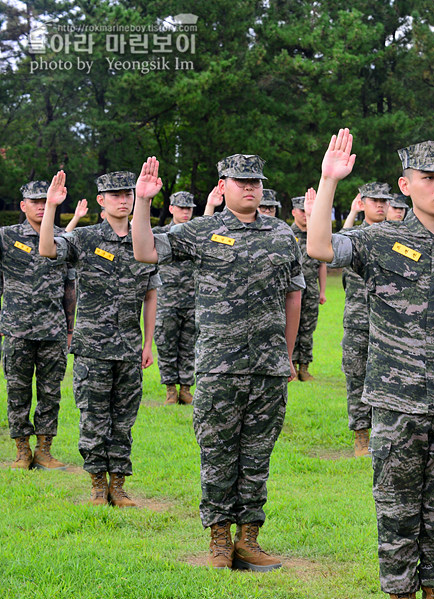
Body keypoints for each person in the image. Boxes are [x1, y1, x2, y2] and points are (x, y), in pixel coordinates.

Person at [307, 131, 434, 599]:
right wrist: (329, 182)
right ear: (406, 186)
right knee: (396, 512)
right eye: (429, 177)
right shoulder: (377, 239)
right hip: (397, 403)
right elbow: (320, 249)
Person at [131, 154, 304, 572]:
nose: (250, 188)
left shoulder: (281, 234)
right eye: (241, 181)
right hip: (218, 367)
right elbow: (144, 250)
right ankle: (219, 541)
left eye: (256, 182)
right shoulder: (202, 230)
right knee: (218, 455)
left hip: (267, 369)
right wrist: (141, 202)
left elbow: (294, 294)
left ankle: (249, 539)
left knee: (257, 456)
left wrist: (287, 353)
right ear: (222, 184)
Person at [38, 170, 160, 508]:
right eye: (115, 194)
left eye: (128, 193)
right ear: (101, 201)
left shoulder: (144, 238)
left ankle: (118, 486)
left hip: (130, 349)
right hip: (93, 349)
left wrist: (148, 343)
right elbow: (47, 248)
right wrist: (51, 207)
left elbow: (151, 295)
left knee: (124, 420)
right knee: (93, 417)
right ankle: (96, 484)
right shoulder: (85, 238)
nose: (123, 199)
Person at [1, 180, 75, 470]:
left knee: (50, 392)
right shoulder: (6, 237)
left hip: (53, 329)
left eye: (46, 200)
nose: (42, 206)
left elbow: (70, 287)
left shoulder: (63, 239)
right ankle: (22, 450)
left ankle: (44, 450)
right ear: (23, 206)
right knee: (17, 390)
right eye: (35, 201)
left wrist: (69, 329)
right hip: (17, 329)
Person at [339, 182, 391, 457]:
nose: (381, 205)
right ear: (363, 203)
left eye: (385, 200)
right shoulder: (354, 235)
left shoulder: (395, 236)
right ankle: (361, 436)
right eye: (374, 200)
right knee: (357, 377)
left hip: (389, 324)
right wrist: (351, 213)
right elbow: (333, 245)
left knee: (387, 379)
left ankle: (383, 435)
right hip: (358, 321)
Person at [152, 191, 198, 404]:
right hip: (166, 300)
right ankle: (171, 389)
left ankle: (186, 389)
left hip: (192, 301)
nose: (185, 211)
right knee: (166, 344)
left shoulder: (197, 235)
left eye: (189, 208)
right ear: (171, 209)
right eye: (181, 207)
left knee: (189, 346)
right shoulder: (161, 234)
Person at [290, 190, 327, 381]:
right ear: (294, 212)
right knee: (292, 327)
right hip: (293, 290)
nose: (304, 214)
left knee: (308, 328)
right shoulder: (288, 235)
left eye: (306, 211)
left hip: (311, 288)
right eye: (301, 211)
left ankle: (305, 367)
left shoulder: (315, 234)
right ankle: (292, 367)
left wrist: (322, 291)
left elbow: (322, 265)